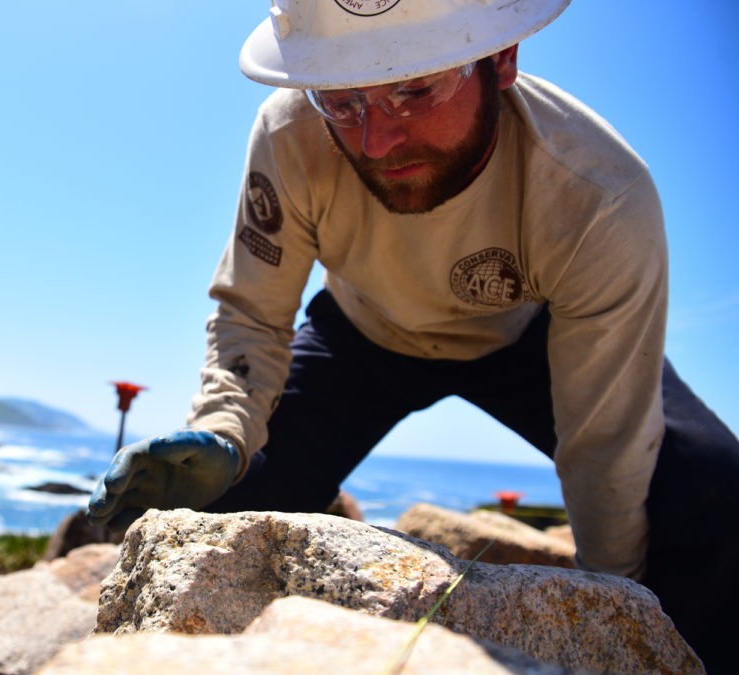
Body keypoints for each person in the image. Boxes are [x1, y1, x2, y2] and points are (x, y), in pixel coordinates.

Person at [87, 1, 739, 670]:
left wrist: (609, 611)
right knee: (231, 498)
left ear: (502, 58)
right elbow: (253, 311)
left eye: (414, 90)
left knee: (708, 491)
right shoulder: (291, 130)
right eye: (342, 101)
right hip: (361, 335)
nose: (375, 141)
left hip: (531, 341)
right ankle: (322, 495)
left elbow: (607, 444)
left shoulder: (597, 194)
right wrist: (227, 427)